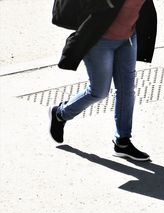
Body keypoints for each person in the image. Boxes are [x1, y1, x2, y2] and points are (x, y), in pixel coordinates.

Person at [49, 0, 157, 161]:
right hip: (99, 41)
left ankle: (122, 141)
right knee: (98, 92)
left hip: (128, 39)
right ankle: (60, 114)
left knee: (127, 90)